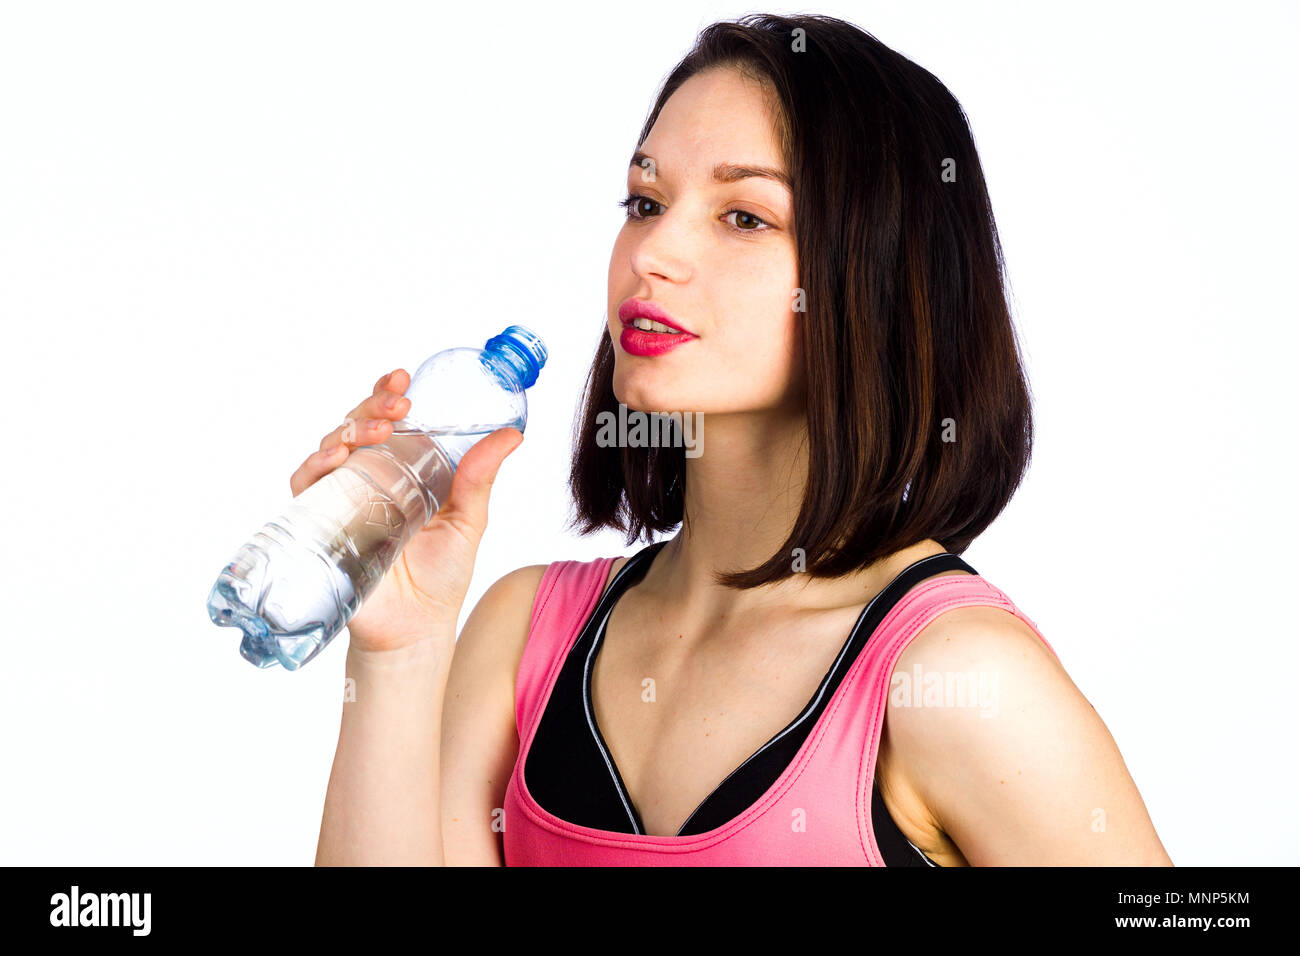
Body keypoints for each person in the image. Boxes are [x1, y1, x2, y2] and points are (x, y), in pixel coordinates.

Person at [311, 13, 1173, 866]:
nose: (653, 253)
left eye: (745, 217)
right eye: (645, 202)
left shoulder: (956, 676)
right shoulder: (524, 636)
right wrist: (400, 643)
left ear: (878, 275)